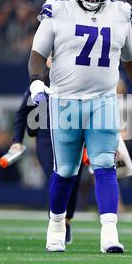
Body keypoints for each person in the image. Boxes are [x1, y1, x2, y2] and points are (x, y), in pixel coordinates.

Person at [28, 0, 132, 253]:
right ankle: (57, 225)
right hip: (64, 101)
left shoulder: (120, 13)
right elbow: (37, 53)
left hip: (103, 99)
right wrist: (37, 83)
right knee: (66, 170)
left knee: (104, 166)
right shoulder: (57, 10)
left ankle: (109, 233)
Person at [8, 82, 82, 244]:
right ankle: (56, 223)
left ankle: (67, 220)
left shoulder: (75, 78)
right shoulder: (39, 85)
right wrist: (17, 140)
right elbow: (22, 113)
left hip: (73, 134)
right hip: (46, 136)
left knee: (73, 180)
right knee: (55, 175)